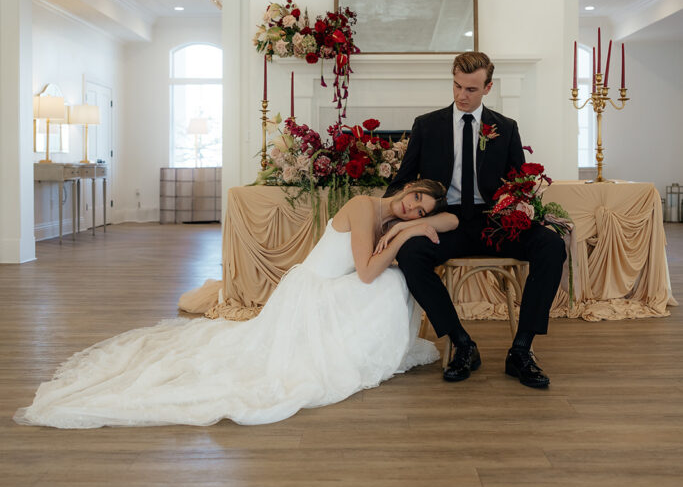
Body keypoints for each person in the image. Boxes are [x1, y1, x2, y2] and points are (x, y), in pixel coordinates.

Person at [14, 180, 456, 429]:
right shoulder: (365, 205)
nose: (414, 209)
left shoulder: (388, 217)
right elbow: (364, 272)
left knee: (395, 281)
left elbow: (444, 222)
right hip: (312, 292)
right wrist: (405, 235)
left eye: (421, 212)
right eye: (417, 199)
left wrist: (409, 229)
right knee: (386, 283)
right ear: (410, 186)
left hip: (322, 289)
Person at [385, 51, 566, 389]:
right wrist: (404, 217)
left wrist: (523, 204)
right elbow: (400, 183)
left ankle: (521, 350)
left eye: (470, 89)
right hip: (445, 221)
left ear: (488, 87)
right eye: (456, 86)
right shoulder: (427, 125)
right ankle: (462, 343)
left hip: (494, 221)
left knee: (551, 246)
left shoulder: (506, 127)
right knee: (411, 255)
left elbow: (518, 183)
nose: (460, 96)